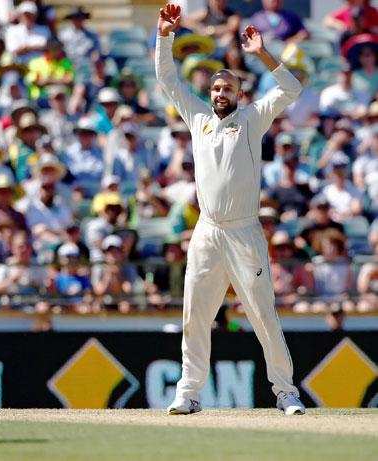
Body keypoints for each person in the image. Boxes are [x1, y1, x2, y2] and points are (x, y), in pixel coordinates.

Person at [155, 4, 306, 415]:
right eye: (217, 89)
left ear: (240, 94)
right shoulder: (199, 118)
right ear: (210, 94)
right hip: (207, 231)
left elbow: (291, 89)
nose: (221, 94)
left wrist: (262, 55)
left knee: (262, 315)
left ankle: (286, 392)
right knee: (195, 314)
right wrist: (164, 36)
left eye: (228, 90)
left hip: (244, 232)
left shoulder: (254, 118)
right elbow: (167, 79)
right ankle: (188, 393)